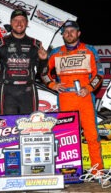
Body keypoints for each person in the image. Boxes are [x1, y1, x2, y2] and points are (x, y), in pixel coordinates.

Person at [41, 20, 104, 172]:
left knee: (92, 136)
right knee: (66, 136)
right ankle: (68, 171)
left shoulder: (89, 50)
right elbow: (44, 73)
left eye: (72, 31)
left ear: (78, 33)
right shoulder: (56, 52)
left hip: (85, 98)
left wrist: (89, 88)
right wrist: (52, 84)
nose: (69, 34)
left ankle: (97, 171)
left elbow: (99, 73)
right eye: (66, 31)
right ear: (62, 34)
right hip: (66, 98)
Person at [0, 9, 48, 115]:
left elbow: (42, 72)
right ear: (11, 22)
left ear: (27, 23)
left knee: (28, 126)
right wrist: (4, 81)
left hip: (28, 92)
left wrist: (43, 60)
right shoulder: (0, 43)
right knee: (8, 125)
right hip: (8, 92)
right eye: (15, 20)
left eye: (22, 20)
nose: (19, 24)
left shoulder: (35, 44)